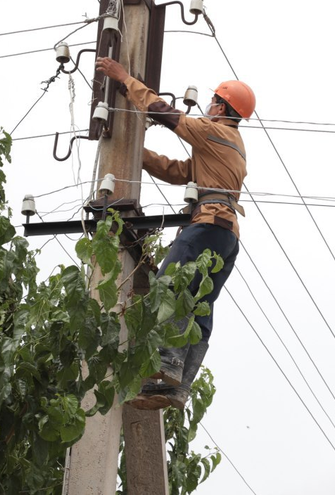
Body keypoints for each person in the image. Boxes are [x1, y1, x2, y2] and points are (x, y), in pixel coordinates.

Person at [95, 57, 255, 410]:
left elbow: (165, 113)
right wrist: (134, 152)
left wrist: (124, 79)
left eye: (215, 101)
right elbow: (177, 171)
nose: (209, 106)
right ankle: (176, 386)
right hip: (226, 237)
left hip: (207, 227)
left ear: (224, 110)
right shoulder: (229, 147)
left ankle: (167, 363)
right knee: (199, 305)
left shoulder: (215, 132)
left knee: (169, 286)